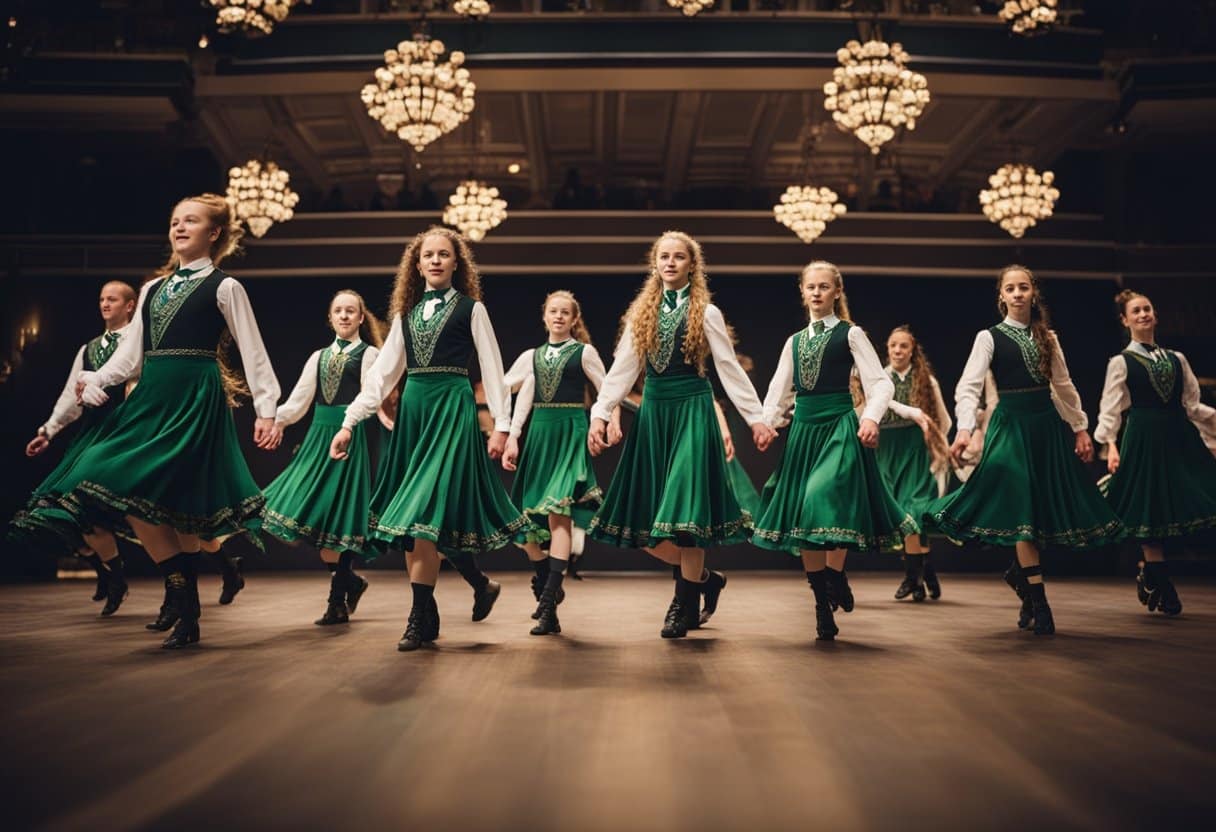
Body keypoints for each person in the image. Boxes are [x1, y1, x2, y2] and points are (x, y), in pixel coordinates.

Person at [30, 193, 281, 649]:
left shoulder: (225, 287)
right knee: (123, 488)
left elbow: (253, 350)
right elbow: (130, 356)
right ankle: (181, 594)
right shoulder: (151, 289)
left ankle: (185, 609)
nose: (179, 227)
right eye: (175, 221)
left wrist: (267, 411)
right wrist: (97, 378)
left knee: (180, 505)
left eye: (191, 221)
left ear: (214, 233)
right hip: (152, 397)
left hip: (195, 397)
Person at [330, 227, 531, 652]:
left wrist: (502, 425)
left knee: (423, 509)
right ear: (417, 265)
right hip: (415, 414)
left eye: (444, 254)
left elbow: (493, 370)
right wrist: (349, 421)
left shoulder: (472, 309)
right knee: (414, 520)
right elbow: (382, 375)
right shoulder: (405, 315)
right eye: (428, 255)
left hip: (451, 412)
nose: (436, 260)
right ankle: (439, 605)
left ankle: (418, 615)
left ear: (457, 263)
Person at [587, 231, 776, 639]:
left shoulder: (705, 311)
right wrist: (600, 414)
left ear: (693, 265)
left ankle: (682, 604)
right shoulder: (642, 313)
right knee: (644, 524)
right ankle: (705, 580)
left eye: (678, 257)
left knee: (687, 514)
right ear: (654, 264)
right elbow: (622, 370)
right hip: (655, 415)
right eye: (664, 257)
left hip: (692, 409)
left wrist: (757, 418)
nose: (670, 263)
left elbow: (729, 369)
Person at [927, 264, 1124, 635]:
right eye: (1010, 289)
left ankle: (1023, 581)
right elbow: (968, 387)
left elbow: (1063, 386)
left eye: (1023, 287)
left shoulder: (1048, 338)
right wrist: (965, 428)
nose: (1017, 294)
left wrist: (1080, 428)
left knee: (1039, 513)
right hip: (1010, 428)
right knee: (1021, 510)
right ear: (1001, 296)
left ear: (1034, 293)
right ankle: (1041, 602)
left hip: (1045, 428)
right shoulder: (988, 337)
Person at [752, 261, 917, 641]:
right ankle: (821, 603)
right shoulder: (794, 342)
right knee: (806, 519)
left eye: (824, 286)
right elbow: (779, 389)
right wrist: (767, 423)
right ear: (802, 291)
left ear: (837, 292)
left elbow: (880, 384)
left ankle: (835, 573)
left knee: (821, 496)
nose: (816, 292)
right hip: (804, 431)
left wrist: (870, 418)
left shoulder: (850, 334)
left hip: (840, 427)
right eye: (811, 286)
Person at [11, 281, 138, 615]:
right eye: (102, 299)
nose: (105, 304)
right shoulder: (89, 348)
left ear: (130, 305)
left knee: (152, 513)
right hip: (92, 434)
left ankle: (215, 570)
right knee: (71, 510)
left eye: (112, 299)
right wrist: (48, 430)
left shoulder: (140, 341)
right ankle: (113, 577)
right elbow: (71, 394)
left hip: (126, 432)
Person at [262, 290, 384, 626]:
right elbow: (300, 398)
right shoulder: (318, 357)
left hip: (349, 437)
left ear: (361, 318)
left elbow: (371, 397)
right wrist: (277, 421)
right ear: (330, 318)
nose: (344, 316)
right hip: (318, 436)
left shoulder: (370, 354)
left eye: (350, 311)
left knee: (340, 517)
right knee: (310, 513)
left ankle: (336, 602)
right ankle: (351, 582)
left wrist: (348, 425)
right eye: (338, 311)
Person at [1095, 289, 1216, 616]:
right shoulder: (1121, 362)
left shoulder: (1177, 359)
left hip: (1176, 437)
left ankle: (1150, 574)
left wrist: (1213, 424)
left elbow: (1191, 404)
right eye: (1136, 311)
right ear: (1125, 320)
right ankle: (1165, 588)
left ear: (1155, 315)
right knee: (1149, 511)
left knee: (1177, 504)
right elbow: (1111, 409)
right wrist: (1111, 445)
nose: (1143, 314)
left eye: (1147, 309)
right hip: (1143, 439)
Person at [502, 290, 615, 635]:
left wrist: (608, 420)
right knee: (524, 525)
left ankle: (549, 598)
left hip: (570, 432)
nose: (559, 316)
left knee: (559, 512)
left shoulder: (584, 352)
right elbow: (512, 390)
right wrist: (511, 436)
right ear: (544, 316)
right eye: (553, 311)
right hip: (539, 434)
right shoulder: (531, 356)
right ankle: (545, 578)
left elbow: (607, 388)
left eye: (566, 312)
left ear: (574, 319)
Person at [878, 326, 953, 602]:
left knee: (914, 510)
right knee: (899, 513)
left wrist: (935, 447)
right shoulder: (879, 379)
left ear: (913, 351)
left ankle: (912, 577)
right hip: (886, 451)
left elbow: (942, 419)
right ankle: (924, 572)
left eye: (904, 346)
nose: (898, 350)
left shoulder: (926, 381)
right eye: (893, 345)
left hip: (914, 451)